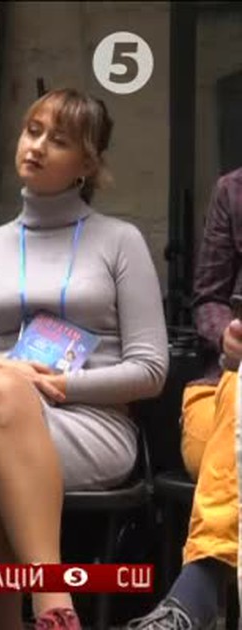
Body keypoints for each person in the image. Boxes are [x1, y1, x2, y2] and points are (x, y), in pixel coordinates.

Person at [0, 88, 169, 630]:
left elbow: (151, 370)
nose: (36, 146)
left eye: (58, 140)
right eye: (32, 131)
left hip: (88, 422)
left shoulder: (121, 241)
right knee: (0, 391)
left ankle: (19, 616)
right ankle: (54, 605)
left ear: (87, 164)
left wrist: (61, 384)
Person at [128, 167, 242, 629]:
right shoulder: (233, 190)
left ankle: (195, 594)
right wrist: (228, 336)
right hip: (217, 403)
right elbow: (209, 299)